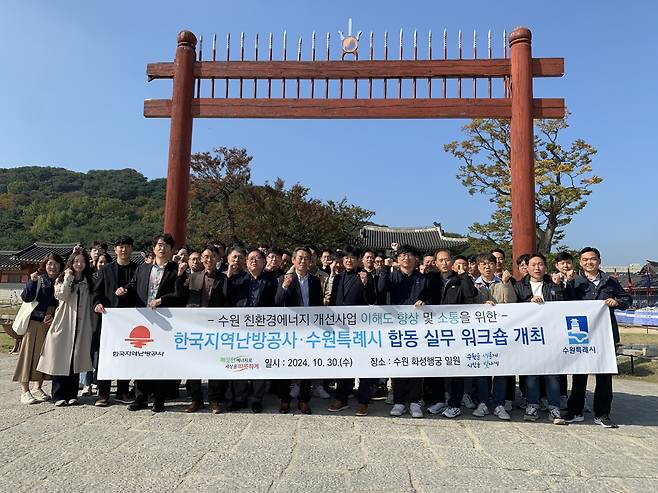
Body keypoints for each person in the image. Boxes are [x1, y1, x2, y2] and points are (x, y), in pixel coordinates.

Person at [563, 247, 632, 428]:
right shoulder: (575, 282)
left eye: (592, 259)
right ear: (580, 262)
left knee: (604, 376)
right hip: (581, 335)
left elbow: (627, 299)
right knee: (579, 374)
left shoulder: (610, 281)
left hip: (605, 335)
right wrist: (566, 283)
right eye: (585, 259)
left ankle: (602, 413)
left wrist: (616, 302)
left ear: (599, 261)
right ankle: (575, 410)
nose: (589, 262)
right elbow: (565, 304)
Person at [124, 233, 185, 413]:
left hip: (166, 320)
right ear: (154, 248)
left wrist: (162, 300)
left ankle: (159, 398)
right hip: (144, 319)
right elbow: (134, 285)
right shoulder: (143, 268)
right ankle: (140, 397)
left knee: (162, 359)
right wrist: (124, 289)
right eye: (159, 245)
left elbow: (180, 294)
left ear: (171, 249)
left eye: (166, 245)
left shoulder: (177, 269)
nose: (162, 248)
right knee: (142, 358)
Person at [37, 247, 96, 406]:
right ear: (71, 263)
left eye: (82, 261)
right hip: (63, 323)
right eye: (76, 261)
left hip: (82, 326)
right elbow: (62, 295)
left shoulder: (89, 281)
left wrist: (92, 326)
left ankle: (72, 394)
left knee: (75, 361)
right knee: (60, 359)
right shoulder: (62, 278)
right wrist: (68, 277)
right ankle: (58, 395)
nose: (79, 264)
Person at [378, 245, 431, 418]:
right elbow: (381, 288)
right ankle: (399, 401)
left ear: (416, 259)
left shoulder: (423, 279)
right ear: (397, 259)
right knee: (400, 363)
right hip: (396, 327)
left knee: (416, 363)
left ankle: (415, 401)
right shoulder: (392, 276)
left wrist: (424, 301)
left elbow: (430, 297)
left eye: (409, 255)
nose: (406, 258)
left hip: (417, 329)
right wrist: (386, 268)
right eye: (402, 255)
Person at [514, 253, 566, 425]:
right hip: (528, 336)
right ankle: (532, 405)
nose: (537, 268)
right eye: (533, 264)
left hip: (551, 335)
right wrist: (529, 300)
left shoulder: (554, 284)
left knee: (552, 374)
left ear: (545, 266)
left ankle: (554, 407)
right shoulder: (519, 286)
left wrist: (558, 287)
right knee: (531, 374)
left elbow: (564, 305)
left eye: (541, 264)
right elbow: (512, 308)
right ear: (526, 267)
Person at [425, 248, 477, 419]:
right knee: (438, 366)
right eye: (440, 260)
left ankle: (454, 404)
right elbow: (423, 296)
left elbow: (470, 294)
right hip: (436, 330)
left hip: (456, 331)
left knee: (456, 367)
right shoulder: (431, 279)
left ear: (452, 261)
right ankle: (440, 400)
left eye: (447, 260)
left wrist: (463, 276)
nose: (444, 263)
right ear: (436, 262)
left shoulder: (461, 279)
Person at [180, 244, 231, 414]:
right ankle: (196, 399)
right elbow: (181, 297)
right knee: (193, 364)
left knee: (214, 364)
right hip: (194, 328)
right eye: (205, 257)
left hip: (216, 328)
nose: (208, 259)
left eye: (212, 256)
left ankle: (214, 400)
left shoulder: (224, 279)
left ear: (218, 259)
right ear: (201, 259)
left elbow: (227, 302)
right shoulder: (193, 277)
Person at [327, 245, 377, 416]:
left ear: (358, 260)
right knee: (344, 363)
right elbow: (333, 303)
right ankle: (341, 398)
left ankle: (363, 401)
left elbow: (372, 300)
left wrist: (365, 284)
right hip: (341, 329)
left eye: (352, 257)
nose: (348, 260)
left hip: (360, 329)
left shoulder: (365, 276)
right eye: (346, 257)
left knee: (363, 365)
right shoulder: (338, 278)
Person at [227, 248, 278, 413]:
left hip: (262, 329)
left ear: (264, 262)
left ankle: (257, 398)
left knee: (259, 364)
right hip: (240, 328)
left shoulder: (272, 281)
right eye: (250, 258)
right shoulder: (237, 279)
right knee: (240, 362)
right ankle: (239, 398)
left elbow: (276, 304)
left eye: (257, 258)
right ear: (246, 262)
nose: (253, 261)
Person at [275, 247, 323, 414]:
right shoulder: (284, 278)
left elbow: (319, 307)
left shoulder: (315, 281)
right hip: (290, 331)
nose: (303, 261)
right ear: (294, 260)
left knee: (306, 365)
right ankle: (285, 400)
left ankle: (304, 400)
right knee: (287, 365)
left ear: (310, 262)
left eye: (306, 258)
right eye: (300, 258)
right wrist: (284, 287)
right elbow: (277, 301)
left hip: (309, 330)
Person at [92, 236, 139, 406]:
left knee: (126, 356)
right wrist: (97, 304)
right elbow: (97, 292)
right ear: (115, 249)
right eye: (121, 247)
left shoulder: (138, 269)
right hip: (108, 321)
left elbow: (140, 292)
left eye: (127, 247)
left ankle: (123, 391)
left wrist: (127, 291)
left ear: (132, 249)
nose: (124, 250)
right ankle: (103, 393)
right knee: (105, 356)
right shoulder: (106, 270)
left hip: (129, 321)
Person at [13, 253, 65, 404]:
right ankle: (24, 391)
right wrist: (31, 281)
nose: (52, 266)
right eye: (49, 263)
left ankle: (37, 387)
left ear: (60, 266)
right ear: (45, 265)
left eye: (55, 263)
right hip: (34, 323)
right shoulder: (39, 279)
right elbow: (26, 298)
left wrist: (53, 315)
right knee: (28, 356)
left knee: (43, 357)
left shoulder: (60, 281)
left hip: (50, 324)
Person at [471, 253, 517, 421]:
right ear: (477, 266)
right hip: (479, 334)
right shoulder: (473, 284)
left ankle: (499, 403)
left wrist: (505, 284)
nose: (487, 266)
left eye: (490, 263)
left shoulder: (503, 282)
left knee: (500, 369)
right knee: (482, 369)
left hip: (500, 333)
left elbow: (511, 302)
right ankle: (482, 402)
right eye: (483, 264)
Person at [80, 252, 112, 397]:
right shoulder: (90, 279)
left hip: (108, 320)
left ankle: (98, 382)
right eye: (100, 262)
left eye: (105, 262)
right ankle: (86, 383)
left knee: (101, 354)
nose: (102, 265)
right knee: (89, 352)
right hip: (92, 319)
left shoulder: (112, 278)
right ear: (95, 263)